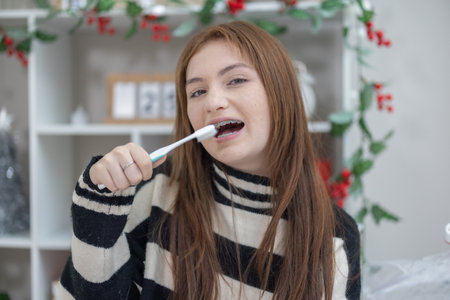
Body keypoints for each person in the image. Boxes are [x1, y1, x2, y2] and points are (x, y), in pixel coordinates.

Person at [60, 21, 360, 300]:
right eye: (198, 91)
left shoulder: (334, 236)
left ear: (282, 94)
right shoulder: (156, 193)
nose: (212, 102)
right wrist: (96, 210)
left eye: (236, 80)